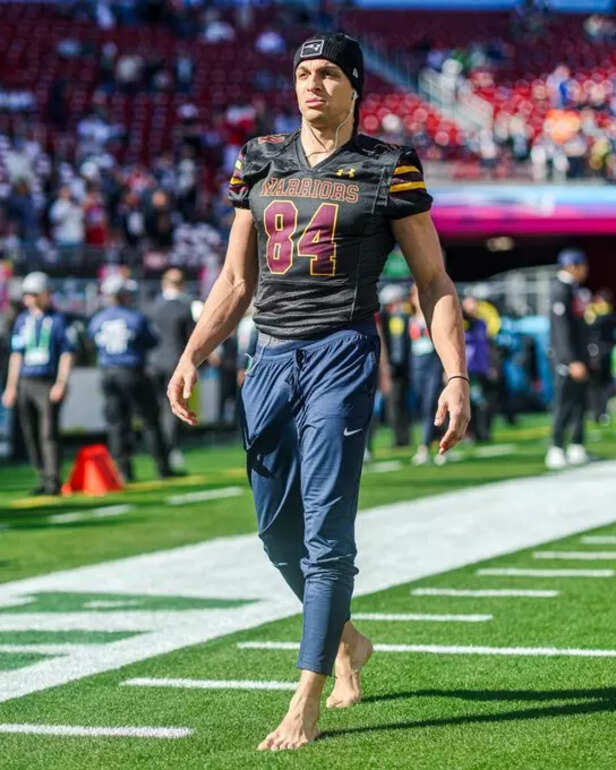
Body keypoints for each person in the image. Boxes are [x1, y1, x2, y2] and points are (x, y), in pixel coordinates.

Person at [167, 32, 470, 752]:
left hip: (342, 351)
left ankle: (308, 694)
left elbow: (433, 281)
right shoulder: (260, 158)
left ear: (355, 86)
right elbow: (235, 280)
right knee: (276, 530)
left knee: (326, 528)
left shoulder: (389, 165)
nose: (312, 84)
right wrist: (192, 353)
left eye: (328, 73)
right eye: (303, 72)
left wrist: (455, 375)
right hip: (269, 356)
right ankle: (349, 637)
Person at [88, 275, 172, 481]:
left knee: (117, 424)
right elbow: (152, 341)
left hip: (108, 374)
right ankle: (162, 467)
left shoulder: (97, 319)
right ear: (124, 295)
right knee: (149, 420)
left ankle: (123, 470)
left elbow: (90, 342)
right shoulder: (135, 318)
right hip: (133, 372)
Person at [1, 272, 75, 494]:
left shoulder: (59, 320)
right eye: (27, 294)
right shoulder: (22, 321)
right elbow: (16, 355)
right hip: (26, 381)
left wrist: (61, 382)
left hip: (47, 381)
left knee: (48, 433)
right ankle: (42, 476)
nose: (29, 299)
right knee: (30, 434)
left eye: (33, 294)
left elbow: (67, 353)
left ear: (45, 294)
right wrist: (11, 386)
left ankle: (53, 480)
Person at [546, 249, 590, 469]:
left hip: (579, 356)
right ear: (571, 266)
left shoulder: (574, 289)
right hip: (568, 360)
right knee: (564, 403)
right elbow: (562, 329)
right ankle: (556, 448)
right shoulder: (560, 289)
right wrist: (571, 360)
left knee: (579, 403)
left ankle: (576, 445)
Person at [148, 268, 195, 470]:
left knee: (156, 409)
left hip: (153, 363)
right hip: (175, 362)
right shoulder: (184, 308)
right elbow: (191, 338)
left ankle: (158, 452)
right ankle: (170, 450)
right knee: (172, 408)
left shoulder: (152, 307)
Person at [409, 283, 444, 465]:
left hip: (433, 366)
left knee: (431, 405)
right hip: (417, 367)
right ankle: (439, 443)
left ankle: (424, 447)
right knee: (424, 406)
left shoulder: (433, 317)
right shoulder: (410, 319)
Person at [378, 283, 412, 447]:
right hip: (393, 367)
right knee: (394, 403)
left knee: (398, 403)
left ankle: (402, 438)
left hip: (400, 367)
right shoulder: (387, 318)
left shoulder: (401, 317)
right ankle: (400, 437)